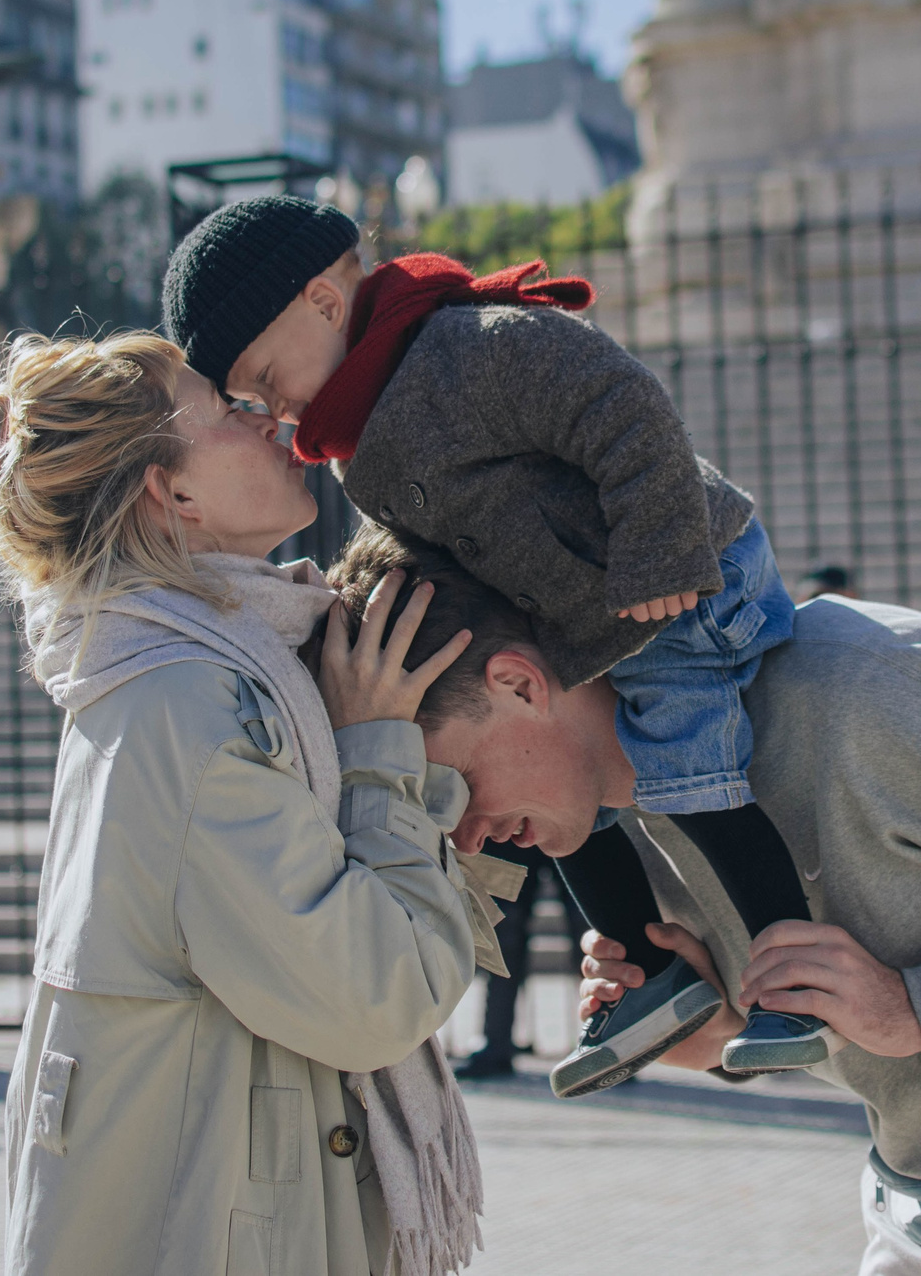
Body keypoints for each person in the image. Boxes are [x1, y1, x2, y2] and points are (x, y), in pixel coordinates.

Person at [327, 526, 921, 1275]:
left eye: (446, 783)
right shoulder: (627, 814)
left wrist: (919, 1007)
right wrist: (720, 1027)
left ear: (516, 682)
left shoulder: (891, 690)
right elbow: (872, 1025)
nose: (457, 836)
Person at [159, 195, 819, 1096]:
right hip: (598, 619)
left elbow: (625, 403)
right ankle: (646, 979)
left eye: (267, 373)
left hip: (687, 581)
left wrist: (661, 553)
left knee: (688, 770)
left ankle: (801, 985)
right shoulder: (362, 442)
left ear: (321, 299)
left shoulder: (464, 345)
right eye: (249, 395)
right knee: (564, 814)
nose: (271, 403)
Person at [0, 330, 480, 1276]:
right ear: (172, 494)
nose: (273, 418)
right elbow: (377, 992)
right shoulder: (193, 706)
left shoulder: (162, 672)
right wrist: (376, 756)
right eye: (229, 410)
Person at [452, 842, 584, 1082]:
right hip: (513, 821)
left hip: (561, 817)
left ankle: (607, 1042)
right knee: (505, 933)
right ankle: (496, 1044)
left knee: (585, 927)